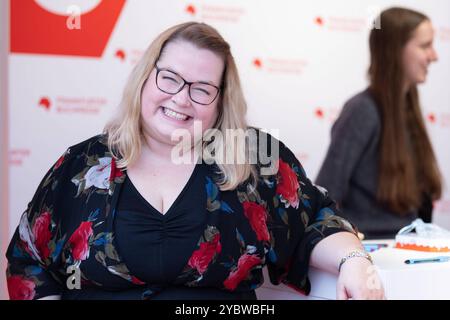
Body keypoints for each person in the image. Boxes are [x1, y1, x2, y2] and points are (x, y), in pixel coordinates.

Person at [6, 22, 384, 300]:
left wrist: (354, 260)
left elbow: (317, 220)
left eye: (201, 89)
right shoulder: (82, 165)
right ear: (145, 79)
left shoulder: (253, 158)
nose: (182, 99)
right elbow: (28, 258)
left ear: (220, 102)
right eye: (170, 78)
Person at [316, 7, 442, 240]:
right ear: (396, 51)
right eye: (425, 46)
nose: (434, 56)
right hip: (373, 254)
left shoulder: (407, 107)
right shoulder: (362, 110)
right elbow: (326, 191)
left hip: (405, 248)